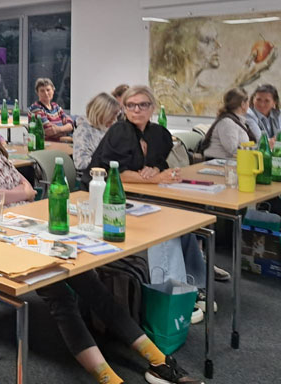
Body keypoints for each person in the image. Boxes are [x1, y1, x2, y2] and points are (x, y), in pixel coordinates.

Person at [0, 106, 201, 384]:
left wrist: (19, 193)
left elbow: (30, 191)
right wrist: (20, 193)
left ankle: (158, 360)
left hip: (29, 225)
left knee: (92, 284)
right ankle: (108, 378)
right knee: (59, 295)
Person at [89, 86, 223, 293]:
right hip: (108, 199)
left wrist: (155, 170)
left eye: (143, 105)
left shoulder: (158, 133)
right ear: (124, 108)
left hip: (140, 195)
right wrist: (156, 179)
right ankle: (174, 293)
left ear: (152, 108)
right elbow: (117, 174)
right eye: (131, 105)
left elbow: (158, 162)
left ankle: (195, 286)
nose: (136, 110)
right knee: (164, 229)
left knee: (182, 222)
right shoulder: (119, 132)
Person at [74, 93, 121, 177]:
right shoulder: (84, 131)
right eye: (112, 115)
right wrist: (107, 164)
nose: (115, 119)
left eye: (116, 115)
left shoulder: (106, 129)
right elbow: (81, 163)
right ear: (102, 113)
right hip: (93, 177)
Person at [201, 88, 252, 159]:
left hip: (230, 161)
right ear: (243, 104)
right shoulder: (227, 122)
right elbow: (232, 149)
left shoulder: (237, 120)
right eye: (248, 102)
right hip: (217, 161)